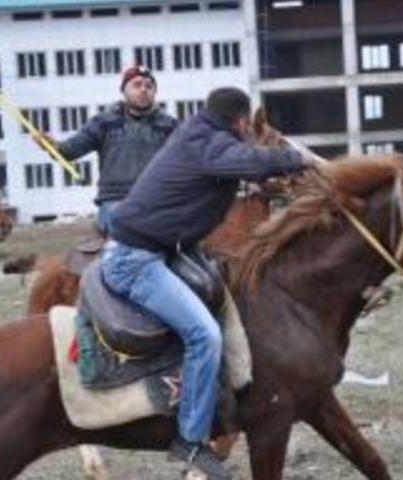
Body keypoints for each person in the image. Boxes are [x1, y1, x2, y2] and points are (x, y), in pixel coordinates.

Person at [101, 87, 313, 479]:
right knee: (205, 336)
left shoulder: (200, 132)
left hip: (164, 250)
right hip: (135, 260)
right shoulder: (210, 142)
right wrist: (293, 158)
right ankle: (190, 440)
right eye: (248, 126)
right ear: (242, 122)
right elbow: (246, 161)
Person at [38, 65, 177, 232]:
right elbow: (70, 150)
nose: (143, 90)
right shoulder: (103, 122)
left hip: (155, 201)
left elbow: (190, 158)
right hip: (115, 201)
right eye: (137, 84)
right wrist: (53, 146)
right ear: (123, 90)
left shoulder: (170, 125)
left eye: (149, 86)